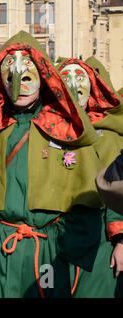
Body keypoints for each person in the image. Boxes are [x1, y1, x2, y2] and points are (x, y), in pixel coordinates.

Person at [0, 31, 103, 298]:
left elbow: (87, 202)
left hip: (47, 252)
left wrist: (62, 247)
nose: (19, 82)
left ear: (43, 77)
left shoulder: (66, 128)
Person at [58, 57, 123, 297]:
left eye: (80, 78)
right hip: (53, 238)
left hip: (98, 240)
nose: (74, 85)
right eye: (66, 78)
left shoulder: (108, 135)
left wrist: (121, 241)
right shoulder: (46, 131)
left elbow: (117, 189)